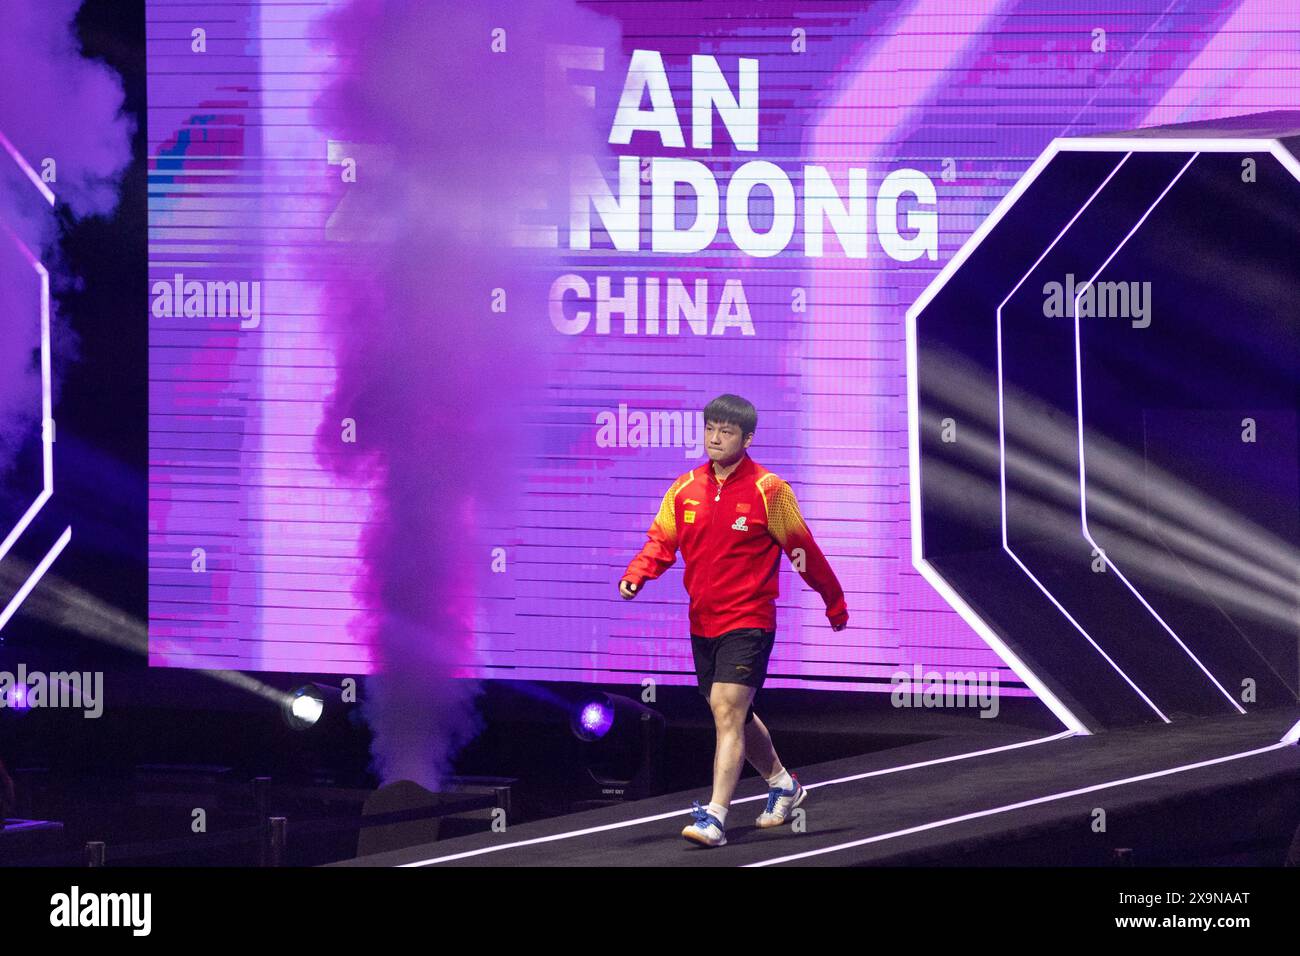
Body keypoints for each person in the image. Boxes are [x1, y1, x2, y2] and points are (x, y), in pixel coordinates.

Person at [619, 394, 848, 847]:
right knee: (733, 714)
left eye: (726, 431)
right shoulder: (683, 488)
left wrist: (833, 600)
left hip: (749, 618)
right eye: (710, 429)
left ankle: (715, 817)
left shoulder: (770, 490)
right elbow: (661, 542)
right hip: (702, 623)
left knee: (727, 708)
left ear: (747, 438)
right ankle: (783, 784)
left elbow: (803, 550)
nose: (716, 438)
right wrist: (636, 574)